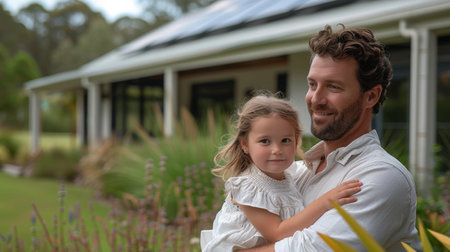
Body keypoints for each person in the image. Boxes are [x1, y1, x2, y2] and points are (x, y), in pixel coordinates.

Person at [241, 24, 419, 251]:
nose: (316, 99)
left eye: (333, 87)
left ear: (371, 96)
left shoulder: (381, 176)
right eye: (312, 84)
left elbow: (309, 249)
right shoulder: (295, 171)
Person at [200, 94, 362, 251]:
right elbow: (277, 233)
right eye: (265, 141)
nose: (277, 150)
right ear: (245, 144)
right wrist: (325, 202)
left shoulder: (289, 175)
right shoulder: (249, 186)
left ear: (296, 141)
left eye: (286, 140)